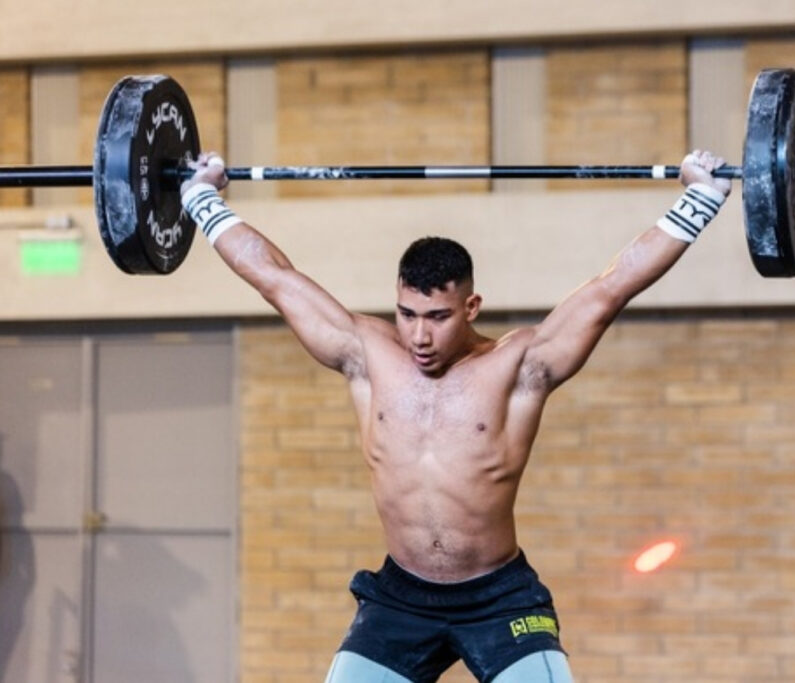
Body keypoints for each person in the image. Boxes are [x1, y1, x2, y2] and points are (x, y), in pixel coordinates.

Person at [180, 150, 731, 683]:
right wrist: (201, 197)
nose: (419, 336)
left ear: (471, 307)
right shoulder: (365, 353)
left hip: (499, 598)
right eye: (407, 314)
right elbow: (274, 277)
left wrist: (701, 198)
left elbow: (611, 289)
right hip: (400, 599)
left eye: (438, 317)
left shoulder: (519, 366)